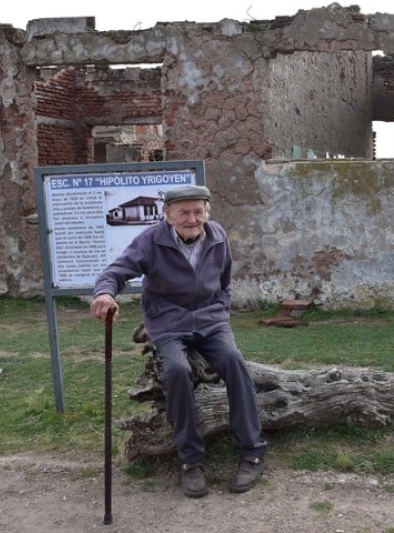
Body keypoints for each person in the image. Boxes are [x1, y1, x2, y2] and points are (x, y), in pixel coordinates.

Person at [90, 184, 267, 498]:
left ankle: (252, 451)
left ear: (206, 213)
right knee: (176, 371)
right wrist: (105, 294)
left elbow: (225, 281)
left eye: (198, 211)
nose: (192, 219)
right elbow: (115, 272)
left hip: (211, 320)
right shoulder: (151, 241)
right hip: (169, 321)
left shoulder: (217, 236)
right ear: (168, 215)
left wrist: (220, 310)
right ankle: (190, 459)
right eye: (184, 212)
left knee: (235, 364)